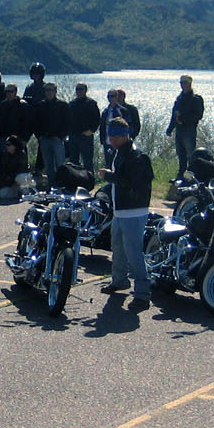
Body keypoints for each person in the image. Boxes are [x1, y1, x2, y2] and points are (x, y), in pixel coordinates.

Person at [98, 117, 152, 307]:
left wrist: (108, 176)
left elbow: (130, 181)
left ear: (123, 136)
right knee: (118, 248)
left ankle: (143, 293)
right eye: (110, 136)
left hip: (133, 211)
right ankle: (119, 280)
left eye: (114, 136)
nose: (110, 140)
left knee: (134, 252)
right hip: (121, 211)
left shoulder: (137, 156)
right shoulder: (121, 152)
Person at [167, 74, 205, 179]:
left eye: (185, 83)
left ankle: (192, 176)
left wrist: (183, 119)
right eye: (181, 83)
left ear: (190, 84)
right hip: (179, 130)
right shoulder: (179, 98)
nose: (183, 85)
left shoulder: (196, 99)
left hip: (189, 130)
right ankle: (181, 175)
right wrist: (170, 128)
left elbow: (198, 115)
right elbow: (174, 114)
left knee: (191, 155)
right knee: (180, 154)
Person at [32, 82, 69, 185]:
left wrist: (61, 136)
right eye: (46, 90)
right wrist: (39, 136)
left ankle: (62, 186)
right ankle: (52, 186)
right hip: (44, 140)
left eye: (51, 90)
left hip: (57, 140)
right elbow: (35, 123)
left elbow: (68, 123)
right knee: (48, 166)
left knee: (60, 165)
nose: (48, 92)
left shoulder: (63, 105)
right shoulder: (40, 105)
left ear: (55, 91)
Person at [66, 82, 101, 170]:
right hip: (73, 137)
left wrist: (92, 130)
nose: (79, 91)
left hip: (86, 137)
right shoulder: (71, 104)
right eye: (77, 89)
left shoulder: (91, 103)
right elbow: (67, 119)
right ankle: (75, 178)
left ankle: (89, 178)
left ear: (85, 90)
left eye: (81, 89)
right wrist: (68, 132)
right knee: (73, 162)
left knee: (88, 162)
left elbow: (97, 119)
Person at [99, 88, 141, 156]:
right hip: (108, 143)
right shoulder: (105, 111)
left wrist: (130, 137)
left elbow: (130, 125)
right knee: (109, 161)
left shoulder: (124, 111)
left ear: (117, 97)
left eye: (112, 96)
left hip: (121, 143)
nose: (110, 98)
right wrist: (102, 140)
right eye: (108, 96)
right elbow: (102, 126)